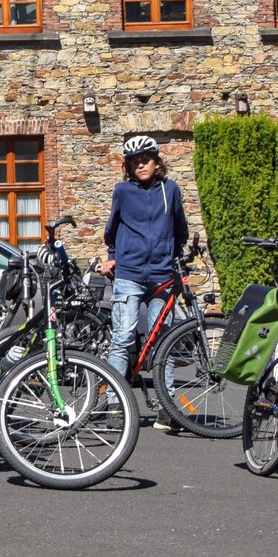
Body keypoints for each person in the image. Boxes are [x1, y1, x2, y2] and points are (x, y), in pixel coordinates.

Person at [97, 135, 190, 431]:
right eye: (134, 162)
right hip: (130, 274)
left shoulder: (170, 190)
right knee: (123, 337)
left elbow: (180, 230)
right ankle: (114, 403)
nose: (141, 165)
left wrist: (176, 260)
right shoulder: (122, 191)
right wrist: (113, 257)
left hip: (163, 275)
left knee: (164, 340)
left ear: (156, 162)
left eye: (145, 160)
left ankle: (167, 407)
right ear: (128, 166)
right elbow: (111, 230)